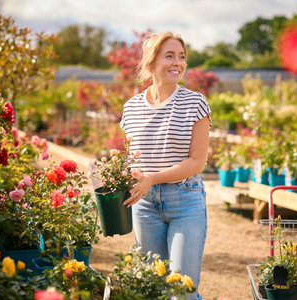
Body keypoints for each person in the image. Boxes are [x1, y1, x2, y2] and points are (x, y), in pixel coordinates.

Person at [119, 32, 211, 300]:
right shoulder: (132, 108)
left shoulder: (195, 103)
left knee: (181, 290)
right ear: (151, 61)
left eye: (181, 57)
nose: (178, 63)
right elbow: (133, 160)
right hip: (145, 205)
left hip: (186, 202)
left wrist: (152, 179)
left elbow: (197, 162)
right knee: (152, 289)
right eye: (169, 56)